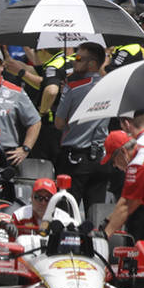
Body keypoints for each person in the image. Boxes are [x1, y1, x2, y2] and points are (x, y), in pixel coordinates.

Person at [54, 42, 112, 209]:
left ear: (92, 63)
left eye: (78, 58)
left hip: (75, 157)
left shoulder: (73, 87)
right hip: (102, 158)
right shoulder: (111, 86)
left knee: (66, 213)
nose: (74, 61)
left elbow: (58, 123)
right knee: (96, 213)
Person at [102, 130, 144, 243]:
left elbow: (126, 205)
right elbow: (135, 201)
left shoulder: (137, 164)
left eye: (113, 161)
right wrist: (109, 219)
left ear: (123, 152)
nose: (114, 165)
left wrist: (105, 234)